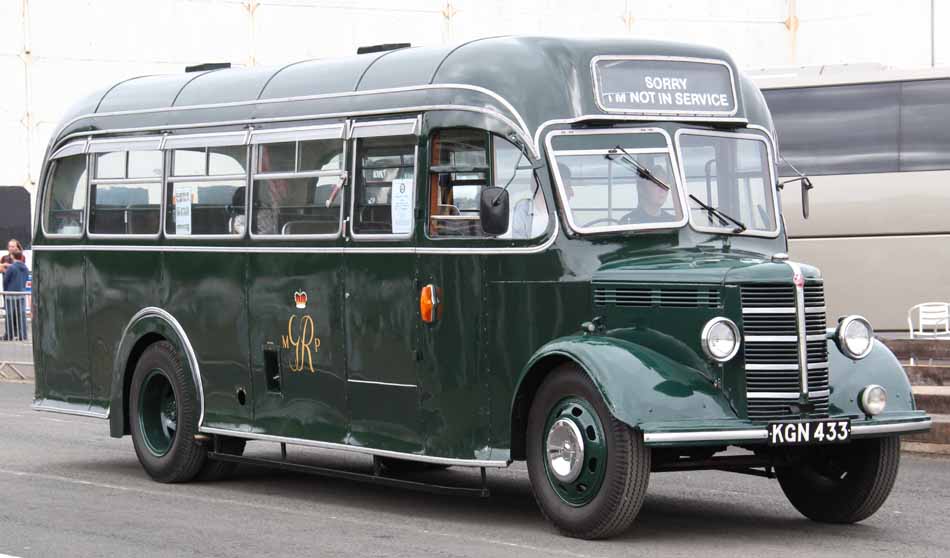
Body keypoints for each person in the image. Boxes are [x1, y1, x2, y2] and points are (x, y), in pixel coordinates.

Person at [2, 239, 29, 341]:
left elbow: (5, 280)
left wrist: (6, 289)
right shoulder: (25, 268)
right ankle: (23, 335)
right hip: (21, 292)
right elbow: (26, 278)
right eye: (10, 246)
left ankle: (9, 335)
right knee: (21, 314)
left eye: (13, 246)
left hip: (10, 293)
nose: (11, 248)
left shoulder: (12, 267)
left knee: (9, 315)